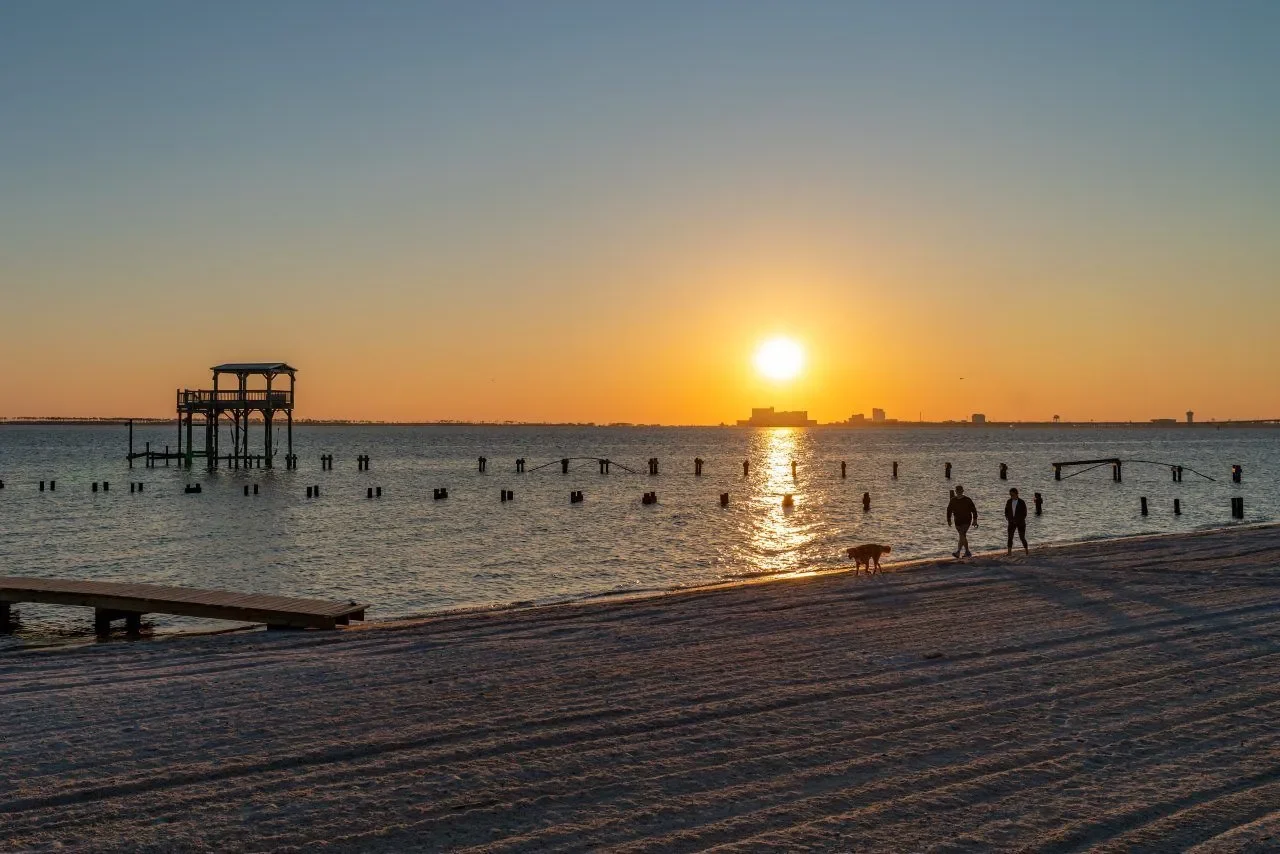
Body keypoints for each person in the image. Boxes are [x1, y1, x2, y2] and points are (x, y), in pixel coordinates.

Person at [946, 485, 978, 558]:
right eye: (957, 491)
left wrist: (975, 520)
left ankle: (959, 552)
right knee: (962, 536)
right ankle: (967, 552)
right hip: (957, 521)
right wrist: (949, 520)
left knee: (962, 534)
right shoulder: (953, 500)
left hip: (966, 521)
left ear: (963, 491)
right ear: (956, 491)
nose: (959, 492)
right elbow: (949, 510)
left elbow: (974, 510)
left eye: (960, 491)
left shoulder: (967, 500)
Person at [1005, 487, 1028, 555]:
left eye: (1012, 494)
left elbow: (1024, 513)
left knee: (1022, 537)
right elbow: (1006, 510)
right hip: (1011, 522)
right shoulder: (1009, 501)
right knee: (1010, 537)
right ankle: (1009, 552)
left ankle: (1026, 550)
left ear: (1016, 494)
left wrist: (1019, 520)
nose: (1011, 496)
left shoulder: (1021, 502)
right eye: (1010, 495)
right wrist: (1007, 517)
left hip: (1020, 523)